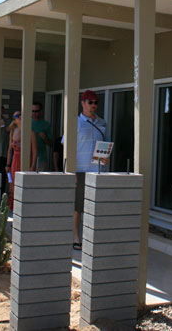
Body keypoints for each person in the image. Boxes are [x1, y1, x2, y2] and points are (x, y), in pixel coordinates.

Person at [73, 89, 109, 250]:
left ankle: (91, 238)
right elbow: (67, 148)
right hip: (80, 170)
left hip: (98, 170)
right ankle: (76, 237)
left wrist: (106, 157)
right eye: (90, 102)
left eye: (96, 102)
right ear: (83, 103)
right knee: (78, 207)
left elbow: (105, 144)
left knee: (95, 206)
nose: (93, 105)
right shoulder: (75, 122)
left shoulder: (102, 122)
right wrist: (70, 171)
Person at [5, 111, 37, 210]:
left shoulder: (30, 133)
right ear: (14, 119)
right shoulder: (12, 132)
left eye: (21, 115)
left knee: (25, 186)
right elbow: (9, 150)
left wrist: (32, 166)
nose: (20, 117)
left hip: (27, 160)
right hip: (15, 161)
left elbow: (35, 151)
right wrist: (7, 164)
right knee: (12, 184)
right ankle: (13, 209)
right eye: (17, 116)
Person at [31, 102, 52, 171]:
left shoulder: (46, 124)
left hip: (41, 158)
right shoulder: (27, 122)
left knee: (40, 180)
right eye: (32, 111)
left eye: (36, 111)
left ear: (41, 111)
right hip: (28, 157)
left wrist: (45, 138)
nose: (34, 113)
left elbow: (51, 144)